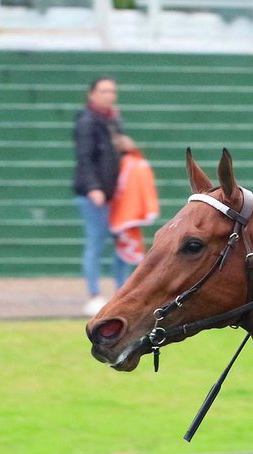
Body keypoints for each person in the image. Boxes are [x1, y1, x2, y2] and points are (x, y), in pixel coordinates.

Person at [72, 77, 124, 316]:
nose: (109, 95)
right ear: (91, 94)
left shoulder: (113, 120)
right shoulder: (87, 121)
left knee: (123, 245)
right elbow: (84, 158)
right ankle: (94, 294)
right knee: (95, 243)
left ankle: (122, 291)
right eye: (103, 91)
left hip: (116, 196)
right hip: (95, 196)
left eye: (112, 91)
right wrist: (94, 187)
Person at [108, 134, 159, 274]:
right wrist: (149, 209)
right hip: (127, 214)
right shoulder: (136, 164)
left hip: (123, 214)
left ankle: (122, 286)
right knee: (125, 252)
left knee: (124, 252)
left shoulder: (130, 164)